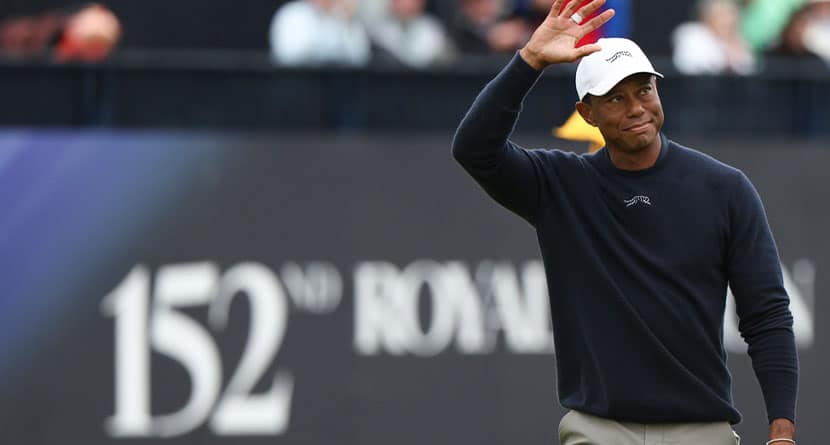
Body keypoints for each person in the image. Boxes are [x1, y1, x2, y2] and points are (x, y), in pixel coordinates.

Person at [451, 0, 799, 443]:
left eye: (644, 90)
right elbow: (473, 149)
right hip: (598, 429)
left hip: (701, 429)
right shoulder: (560, 184)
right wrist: (530, 61)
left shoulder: (725, 188)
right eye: (615, 97)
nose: (635, 107)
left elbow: (766, 314)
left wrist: (782, 431)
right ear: (587, 114)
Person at [269, 0, 371, 67]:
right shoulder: (293, 14)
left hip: (339, 90)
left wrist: (347, 23)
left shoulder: (344, 18)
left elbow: (360, 58)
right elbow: (289, 57)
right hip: (298, 87)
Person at [672, 0, 755, 74]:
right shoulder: (692, 35)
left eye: (731, 15)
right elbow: (690, 66)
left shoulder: (740, 40)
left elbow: (749, 70)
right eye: (722, 15)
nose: (727, 21)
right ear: (707, 17)